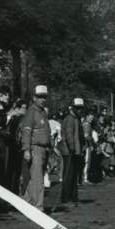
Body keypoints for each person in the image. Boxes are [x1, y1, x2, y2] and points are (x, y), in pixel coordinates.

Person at [20, 84, 53, 212]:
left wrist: (50, 146)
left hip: (43, 149)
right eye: (39, 97)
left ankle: (27, 203)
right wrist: (27, 149)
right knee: (37, 179)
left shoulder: (43, 112)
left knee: (34, 177)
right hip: (35, 148)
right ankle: (38, 207)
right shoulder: (31, 112)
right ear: (34, 98)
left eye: (44, 97)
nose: (42, 99)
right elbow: (26, 132)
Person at [58, 98, 86, 208]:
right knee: (68, 175)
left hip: (75, 151)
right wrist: (72, 147)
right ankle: (66, 198)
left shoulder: (76, 119)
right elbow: (69, 135)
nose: (79, 110)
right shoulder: (70, 119)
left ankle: (73, 197)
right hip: (69, 151)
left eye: (81, 108)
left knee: (74, 175)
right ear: (73, 108)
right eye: (77, 108)